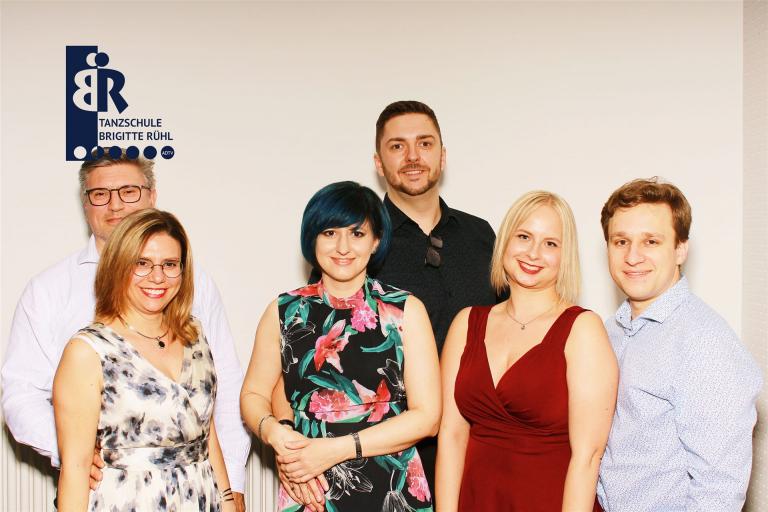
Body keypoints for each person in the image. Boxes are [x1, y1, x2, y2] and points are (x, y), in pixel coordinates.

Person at [2, 151, 250, 510]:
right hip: (114, 489)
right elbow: (21, 394)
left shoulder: (195, 292)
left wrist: (232, 488)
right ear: (85, 203)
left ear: (152, 195)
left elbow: (217, 394)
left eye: (129, 191)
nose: (116, 205)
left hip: (200, 492)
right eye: (101, 194)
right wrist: (76, 450)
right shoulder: (49, 292)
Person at [241, 181, 441, 511]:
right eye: (330, 233)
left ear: (376, 241)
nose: (343, 247)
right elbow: (253, 394)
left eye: (357, 233)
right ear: (312, 238)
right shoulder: (283, 311)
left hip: (391, 485)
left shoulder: (405, 310)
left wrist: (336, 450)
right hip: (308, 486)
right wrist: (276, 436)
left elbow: (428, 417)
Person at [436, 191, 618, 511]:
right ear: (505, 241)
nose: (533, 253)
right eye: (524, 236)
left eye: (550, 243)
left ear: (565, 256)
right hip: (476, 501)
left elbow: (588, 457)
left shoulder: (582, 329)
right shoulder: (467, 323)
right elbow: (451, 435)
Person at [596, 178, 762, 511]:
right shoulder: (609, 330)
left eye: (651, 241)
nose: (632, 256)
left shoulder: (706, 343)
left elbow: (719, 489)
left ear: (680, 249)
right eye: (621, 241)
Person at [53, 209, 234, 511]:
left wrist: (228, 501)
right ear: (117, 266)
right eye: (142, 263)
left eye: (169, 264)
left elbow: (206, 433)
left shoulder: (194, 334)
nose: (158, 277)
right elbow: (76, 468)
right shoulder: (89, 351)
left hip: (202, 500)